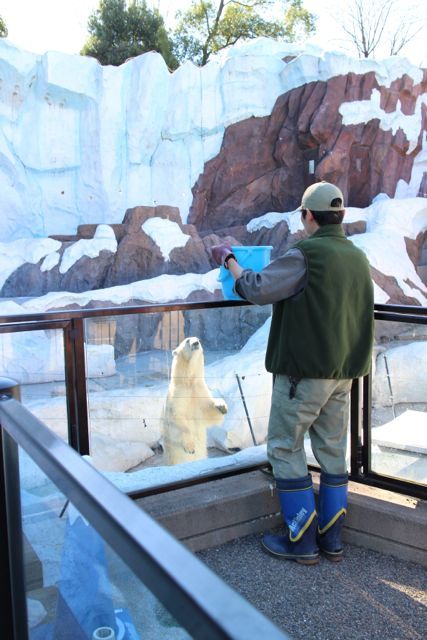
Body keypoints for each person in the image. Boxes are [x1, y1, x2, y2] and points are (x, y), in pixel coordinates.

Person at [211, 181, 374, 565]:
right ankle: (331, 539)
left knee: (284, 447)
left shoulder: (306, 254)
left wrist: (229, 260)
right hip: (343, 372)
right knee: (333, 450)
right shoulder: (356, 256)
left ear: (308, 216)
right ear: (340, 216)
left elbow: (256, 288)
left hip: (303, 373)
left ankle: (300, 539)